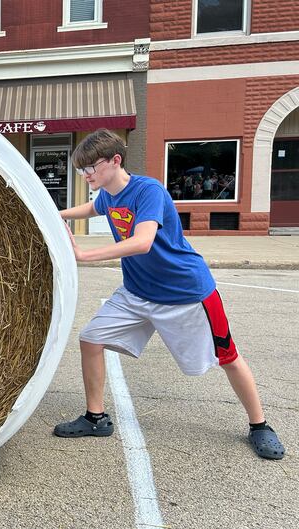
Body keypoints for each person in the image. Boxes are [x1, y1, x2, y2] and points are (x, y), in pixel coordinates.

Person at [54, 129, 284, 460]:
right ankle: (96, 418)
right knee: (90, 339)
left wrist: (85, 256)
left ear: (115, 161)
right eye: (82, 170)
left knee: (228, 357)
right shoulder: (107, 193)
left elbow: (143, 241)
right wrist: (56, 215)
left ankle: (260, 425)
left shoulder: (148, 191)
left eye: (91, 168)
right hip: (137, 293)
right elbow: (92, 210)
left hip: (186, 293)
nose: (86, 175)